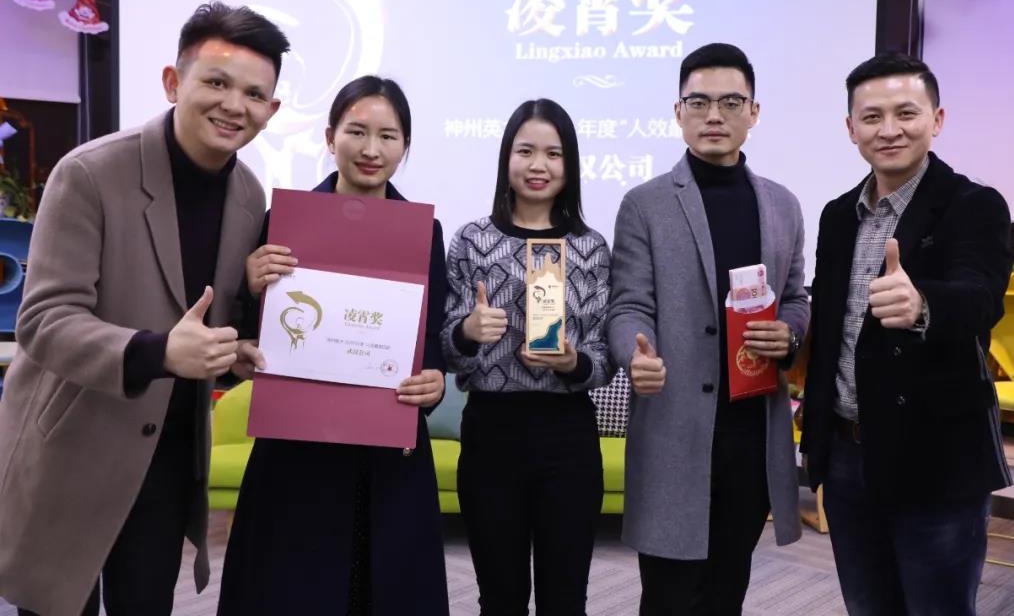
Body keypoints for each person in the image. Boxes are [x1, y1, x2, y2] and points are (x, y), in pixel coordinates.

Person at [0, 2, 289, 616]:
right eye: (216, 82)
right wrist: (159, 352)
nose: (234, 105)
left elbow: (205, 320)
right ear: (172, 82)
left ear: (272, 110)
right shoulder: (90, 173)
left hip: (166, 457)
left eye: (254, 94)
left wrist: (233, 351)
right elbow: (44, 321)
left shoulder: (248, 194)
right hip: (71, 448)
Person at [217, 75, 449, 616]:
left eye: (388, 136)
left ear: (405, 147)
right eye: (357, 131)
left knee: (382, 587)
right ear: (329, 137)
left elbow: (431, 339)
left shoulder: (426, 233)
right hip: (300, 448)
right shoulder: (284, 222)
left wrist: (434, 381)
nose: (371, 149)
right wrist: (250, 283)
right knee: (292, 589)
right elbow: (248, 334)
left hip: (388, 452)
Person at [800, 53, 1012, 616]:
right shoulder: (837, 215)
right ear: (851, 128)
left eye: (906, 113)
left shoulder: (973, 205)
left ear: (936, 120)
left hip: (934, 457)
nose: (888, 129)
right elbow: (832, 324)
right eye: (871, 117)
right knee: (868, 605)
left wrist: (922, 304)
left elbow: (982, 298)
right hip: (847, 455)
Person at [607, 43, 808, 615]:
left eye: (730, 102)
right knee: (668, 594)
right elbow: (628, 305)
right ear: (678, 112)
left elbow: (796, 296)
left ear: (754, 112)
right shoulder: (644, 204)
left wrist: (790, 332)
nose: (713, 115)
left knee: (727, 588)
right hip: (675, 428)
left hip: (751, 429)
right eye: (698, 102)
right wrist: (635, 356)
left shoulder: (783, 205)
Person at [441, 98, 611, 615]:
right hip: (492, 434)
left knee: (565, 598)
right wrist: (467, 332)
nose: (539, 165)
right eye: (526, 151)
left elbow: (605, 357)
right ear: (506, 158)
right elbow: (443, 348)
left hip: (567, 435)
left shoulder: (590, 248)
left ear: (570, 164)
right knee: (500, 596)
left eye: (553, 154)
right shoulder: (471, 240)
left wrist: (572, 362)